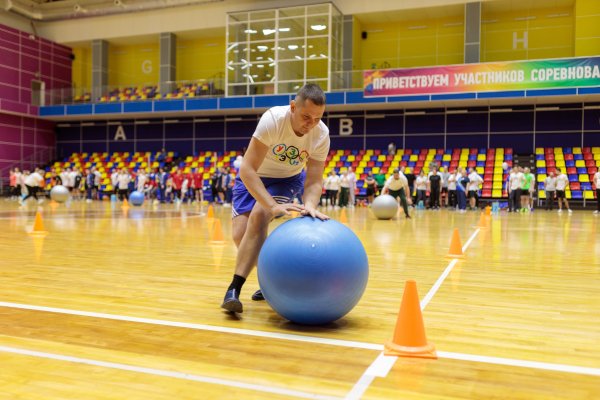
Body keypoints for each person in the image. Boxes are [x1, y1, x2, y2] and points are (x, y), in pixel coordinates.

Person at [221, 84, 330, 313]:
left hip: (287, 179)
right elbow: (247, 169)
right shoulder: (273, 119)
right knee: (240, 236)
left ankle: (234, 289)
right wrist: (271, 204)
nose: (310, 124)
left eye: (317, 118)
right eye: (306, 116)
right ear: (292, 107)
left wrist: (310, 205)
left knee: (260, 215)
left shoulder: (321, 134)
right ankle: (271, 283)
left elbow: (313, 180)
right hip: (252, 177)